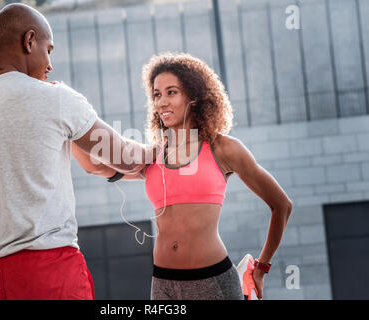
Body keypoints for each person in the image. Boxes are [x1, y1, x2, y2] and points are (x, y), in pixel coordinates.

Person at [0, 3, 154, 300]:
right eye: (49, 50)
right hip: (50, 276)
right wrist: (169, 151)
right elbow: (123, 157)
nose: (50, 64)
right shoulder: (56, 98)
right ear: (29, 41)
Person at [72, 52, 293, 300]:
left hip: (213, 282)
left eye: (171, 92)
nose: (161, 102)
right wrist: (68, 125)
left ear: (194, 96)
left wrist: (262, 268)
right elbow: (94, 166)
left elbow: (281, 205)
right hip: (163, 284)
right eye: (157, 94)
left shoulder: (223, 148)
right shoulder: (154, 155)